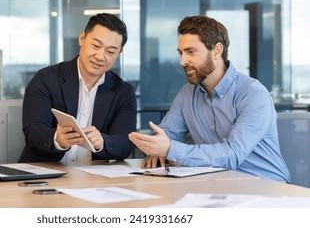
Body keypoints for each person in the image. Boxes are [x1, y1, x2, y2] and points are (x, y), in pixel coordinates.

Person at [129, 15, 291, 183]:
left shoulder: (253, 94)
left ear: (217, 51)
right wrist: (155, 149)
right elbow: (166, 136)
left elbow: (232, 155)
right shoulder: (187, 94)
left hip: (266, 186)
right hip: (219, 184)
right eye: (181, 53)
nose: (182, 61)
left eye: (191, 52)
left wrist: (169, 149)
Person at [19, 13, 136, 163]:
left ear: (119, 53)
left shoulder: (123, 92)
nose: (100, 56)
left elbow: (125, 143)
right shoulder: (47, 78)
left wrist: (103, 142)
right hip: (46, 170)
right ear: (82, 38)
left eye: (110, 51)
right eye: (96, 46)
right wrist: (57, 139)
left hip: (95, 177)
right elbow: (32, 131)